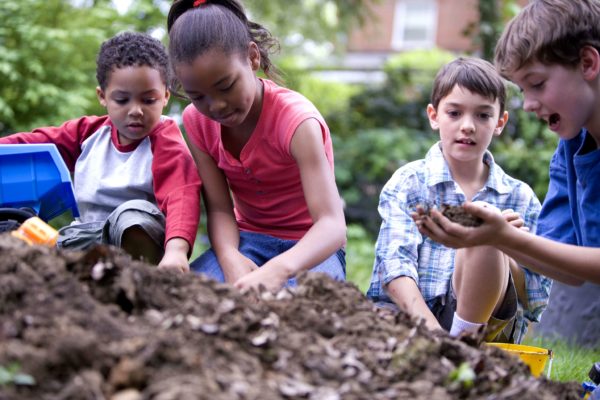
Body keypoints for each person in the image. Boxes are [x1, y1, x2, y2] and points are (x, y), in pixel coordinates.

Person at [412, 0, 600, 286]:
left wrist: (503, 237)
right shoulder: (570, 148)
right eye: (522, 89)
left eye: (537, 84)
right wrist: (496, 237)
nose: (527, 105)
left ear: (588, 63)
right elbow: (569, 269)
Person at [367, 57, 552, 343]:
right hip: (411, 317)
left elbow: (535, 298)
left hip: (485, 328)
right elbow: (394, 267)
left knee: (487, 224)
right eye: (454, 113)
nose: (468, 126)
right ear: (434, 116)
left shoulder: (519, 197)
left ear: (500, 121)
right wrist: (435, 336)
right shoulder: (410, 182)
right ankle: (454, 351)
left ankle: (461, 347)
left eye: (483, 115)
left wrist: (508, 243)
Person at [166, 0, 346, 292]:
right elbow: (221, 209)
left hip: (310, 249)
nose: (216, 106)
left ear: (252, 57)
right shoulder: (196, 122)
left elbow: (331, 225)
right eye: (198, 96)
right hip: (247, 243)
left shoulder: (297, 122)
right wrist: (228, 256)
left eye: (226, 86)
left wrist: (278, 270)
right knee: (185, 297)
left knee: (301, 310)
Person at [0, 32, 201, 273]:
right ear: (103, 97)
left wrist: (176, 251)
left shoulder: (165, 140)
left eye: (148, 100)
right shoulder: (89, 133)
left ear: (165, 96)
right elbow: (32, 144)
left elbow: (181, 195)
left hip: (138, 235)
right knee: (22, 233)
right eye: (122, 100)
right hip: (86, 237)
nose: (135, 110)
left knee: (131, 215)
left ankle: (137, 276)